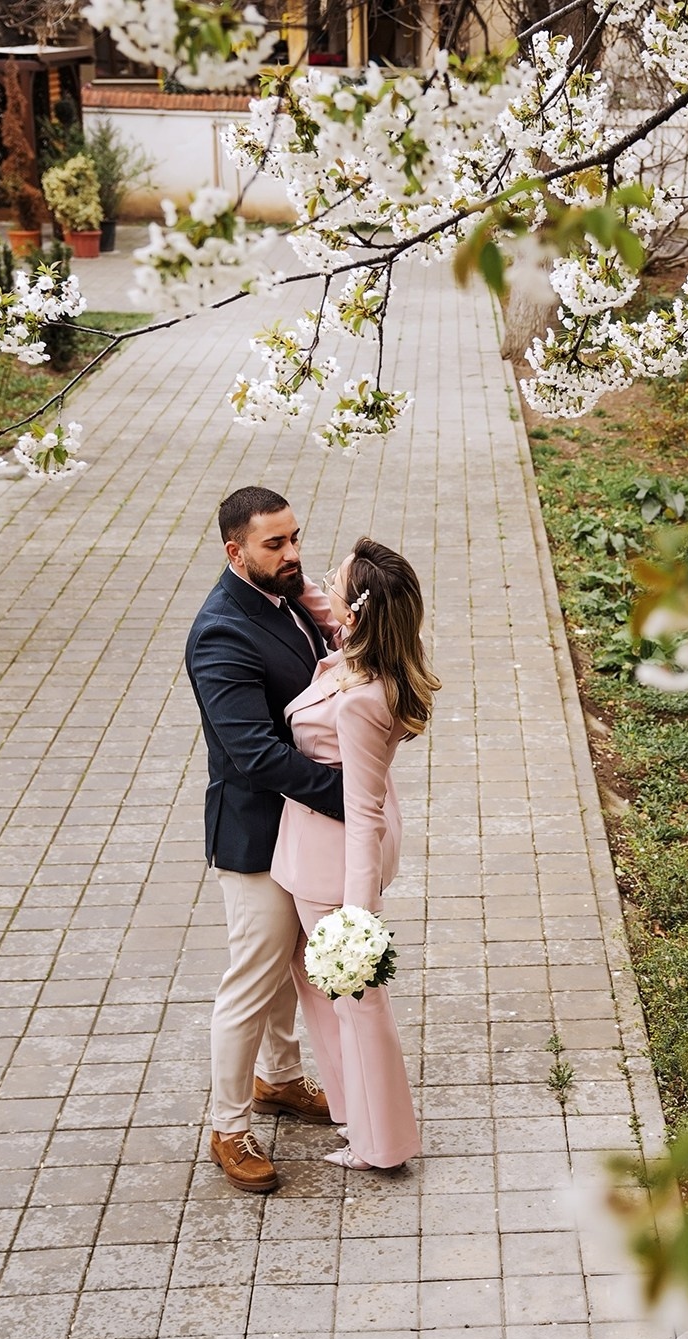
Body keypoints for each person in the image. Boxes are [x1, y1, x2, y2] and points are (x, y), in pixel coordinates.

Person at [185, 486, 346, 1192]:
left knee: (291, 962)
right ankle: (227, 1126)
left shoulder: (287, 596)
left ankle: (279, 1078)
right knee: (251, 981)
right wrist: (346, 796)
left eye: (295, 537)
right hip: (255, 831)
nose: (292, 553)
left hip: (300, 825)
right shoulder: (220, 632)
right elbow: (253, 752)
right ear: (235, 551)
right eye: (274, 544)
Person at [271, 537, 434, 1171]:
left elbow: (361, 811)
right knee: (323, 994)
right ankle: (355, 1117)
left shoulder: (365, 698)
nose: (325, 586)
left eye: (335, 581)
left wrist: (359, 920)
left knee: (358, 1002)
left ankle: (381, 1144)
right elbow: (325, 605)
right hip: (317, 852)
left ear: (358, 610)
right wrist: (294, 577)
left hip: (335, 862)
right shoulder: (365, 653)